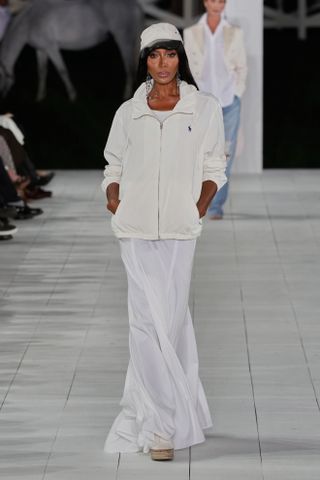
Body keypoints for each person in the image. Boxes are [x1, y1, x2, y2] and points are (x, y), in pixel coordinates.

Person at [101, 22, 226, 461]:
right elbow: (113, 163)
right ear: (145, 61)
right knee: (142, 322)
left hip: (178, 229)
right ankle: (159, 427)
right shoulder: (127, 112)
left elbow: (215, 164)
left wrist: (200, 204)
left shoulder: (203, 108)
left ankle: (182, 406)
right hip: (134, 229)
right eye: (154, 56)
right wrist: (114, 197)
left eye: (170, 54)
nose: (163, 63)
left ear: (180, 57)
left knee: (170, 322)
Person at [184, 0, 247, 219]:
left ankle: (216, 205)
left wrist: (237, 92)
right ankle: (198, 200)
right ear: (205, 2)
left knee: (224, 155)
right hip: (201, 103)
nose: (216, 5)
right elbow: (188, 68)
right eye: (212, 0)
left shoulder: (234, 32)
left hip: (229, 101)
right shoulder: (191, 32)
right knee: (198, 152)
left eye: (221, 1)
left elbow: (241, 66)